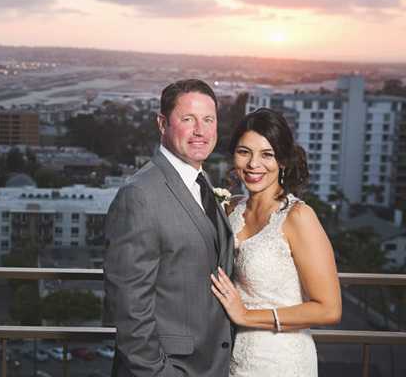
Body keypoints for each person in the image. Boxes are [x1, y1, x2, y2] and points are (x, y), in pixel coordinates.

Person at [104, 78, 234, 377]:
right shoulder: (139, 195)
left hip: (211, 364)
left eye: (208, 120)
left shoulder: (201, 183)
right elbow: (129, 307)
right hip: (170, 370)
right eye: (188, 119)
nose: (200, 130)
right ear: (163, 123)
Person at [210, 107, 341, 376]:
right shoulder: (232, 209)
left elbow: (329, 310)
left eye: (266, 154)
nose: (253, 164)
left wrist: (246, 316)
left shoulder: (298, 217)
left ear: (283, 159)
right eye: (244, 151)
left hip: (281, 361)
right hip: (232, 358)